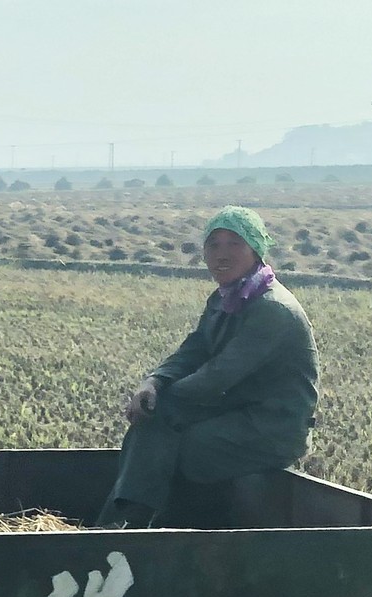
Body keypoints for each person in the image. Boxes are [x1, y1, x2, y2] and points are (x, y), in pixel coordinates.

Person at [97, 206, 318, 528]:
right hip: (231, 414)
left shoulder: (272, 309)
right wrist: (154, 382)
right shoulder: (225, 298)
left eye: (234, 244)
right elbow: (194, 349)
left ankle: (127, 527)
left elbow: (219, 377)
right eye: (213, 245)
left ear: (256, 250)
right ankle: (125, 527)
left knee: (179, 448)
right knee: (154, 433)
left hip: (270, 429)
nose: (221, 254)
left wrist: (163, 401)